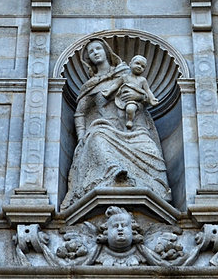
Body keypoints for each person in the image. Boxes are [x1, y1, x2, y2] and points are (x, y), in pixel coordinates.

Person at [62, 38, 171, 206]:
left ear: (106, 51)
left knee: (150, 150)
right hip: (104, 129)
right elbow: (80, 113)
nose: (95, 52)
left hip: (134, 128)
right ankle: (114, 173)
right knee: (97, 137)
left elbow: (146, 97)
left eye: (98, 48)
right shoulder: (90, 85)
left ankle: (158, 191)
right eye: (91, 51)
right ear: (88, 59)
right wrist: (82, 137)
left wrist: (140, 97)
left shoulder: (126, 73)